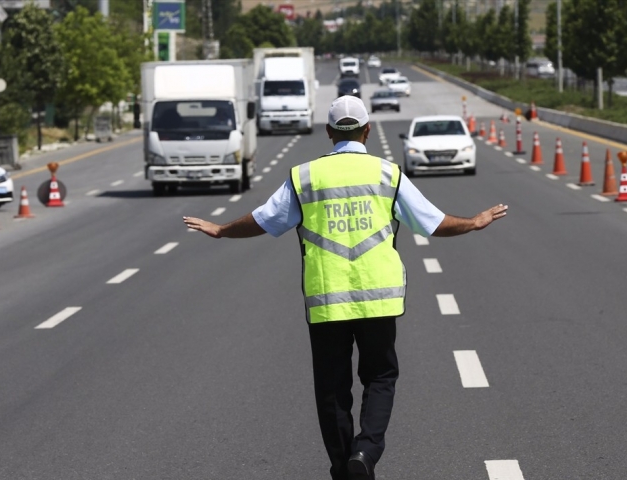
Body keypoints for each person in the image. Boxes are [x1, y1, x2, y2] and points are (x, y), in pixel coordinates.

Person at [183, 95, 508, 480]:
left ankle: (343, 468)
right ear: (367, 130)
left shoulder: (305, 176)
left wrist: (221, 230)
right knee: (380, 377)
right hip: (379, 297)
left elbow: (264, 220)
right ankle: (365, 453)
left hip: (327, 299)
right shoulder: (387, 174)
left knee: (332, 388)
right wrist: (473, 221)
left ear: (329, 133)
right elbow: (431, 222)